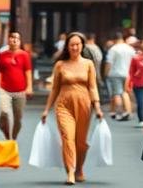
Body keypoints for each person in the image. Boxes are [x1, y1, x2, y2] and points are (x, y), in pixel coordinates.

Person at [42, 32, 104, 185]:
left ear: (82, 46)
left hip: (84, 104)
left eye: (77, 44)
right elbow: (55, 89)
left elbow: (92, 87)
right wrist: (46, 109)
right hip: (63, 105)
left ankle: (79, 168)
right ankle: (70, 171)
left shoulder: (88, 64)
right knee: (67, 138)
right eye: (72, 45)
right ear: (67, 47)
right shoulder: (60, 65)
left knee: (81, 142)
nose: (75, 47)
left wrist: (97, 107)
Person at [0, 30, 33, 140]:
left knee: (18, 118)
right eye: (12, 38)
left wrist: (29, 87)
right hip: (4, 89)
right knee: (4, 113)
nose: (14, 40)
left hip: (20, 91)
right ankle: (7, 136)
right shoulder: (2, 55)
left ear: (20, 41)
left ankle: (13, 138)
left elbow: (28, 72)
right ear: (8, 40)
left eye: (17, 38)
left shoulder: (24, 55)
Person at [105, 30, 136, 121]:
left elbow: (109, 62)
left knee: (117, 93)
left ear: (114, 39)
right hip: (127, 73)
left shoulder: (113, 49)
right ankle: (126, 111)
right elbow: (134, 61)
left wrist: (106, 73)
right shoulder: (130, 48)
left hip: (115, 73)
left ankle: (121, 112)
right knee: (125, 92)